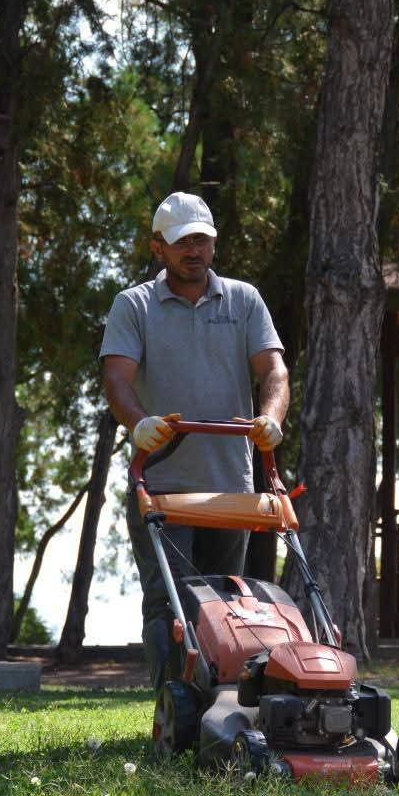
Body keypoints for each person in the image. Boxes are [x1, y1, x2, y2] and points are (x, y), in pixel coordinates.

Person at [99, 192, 290, 689]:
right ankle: (174, 713)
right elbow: (117, 381)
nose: (194, 250)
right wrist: (139, 423)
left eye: (202, 240)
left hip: (232, 485)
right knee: (171, 604)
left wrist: (270, 418)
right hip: (162, 484)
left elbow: (274, 370)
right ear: (157, 248)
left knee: (227, 601)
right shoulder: (134, 306)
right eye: (183, 242)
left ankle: (222, 708)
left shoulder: (244, 300)